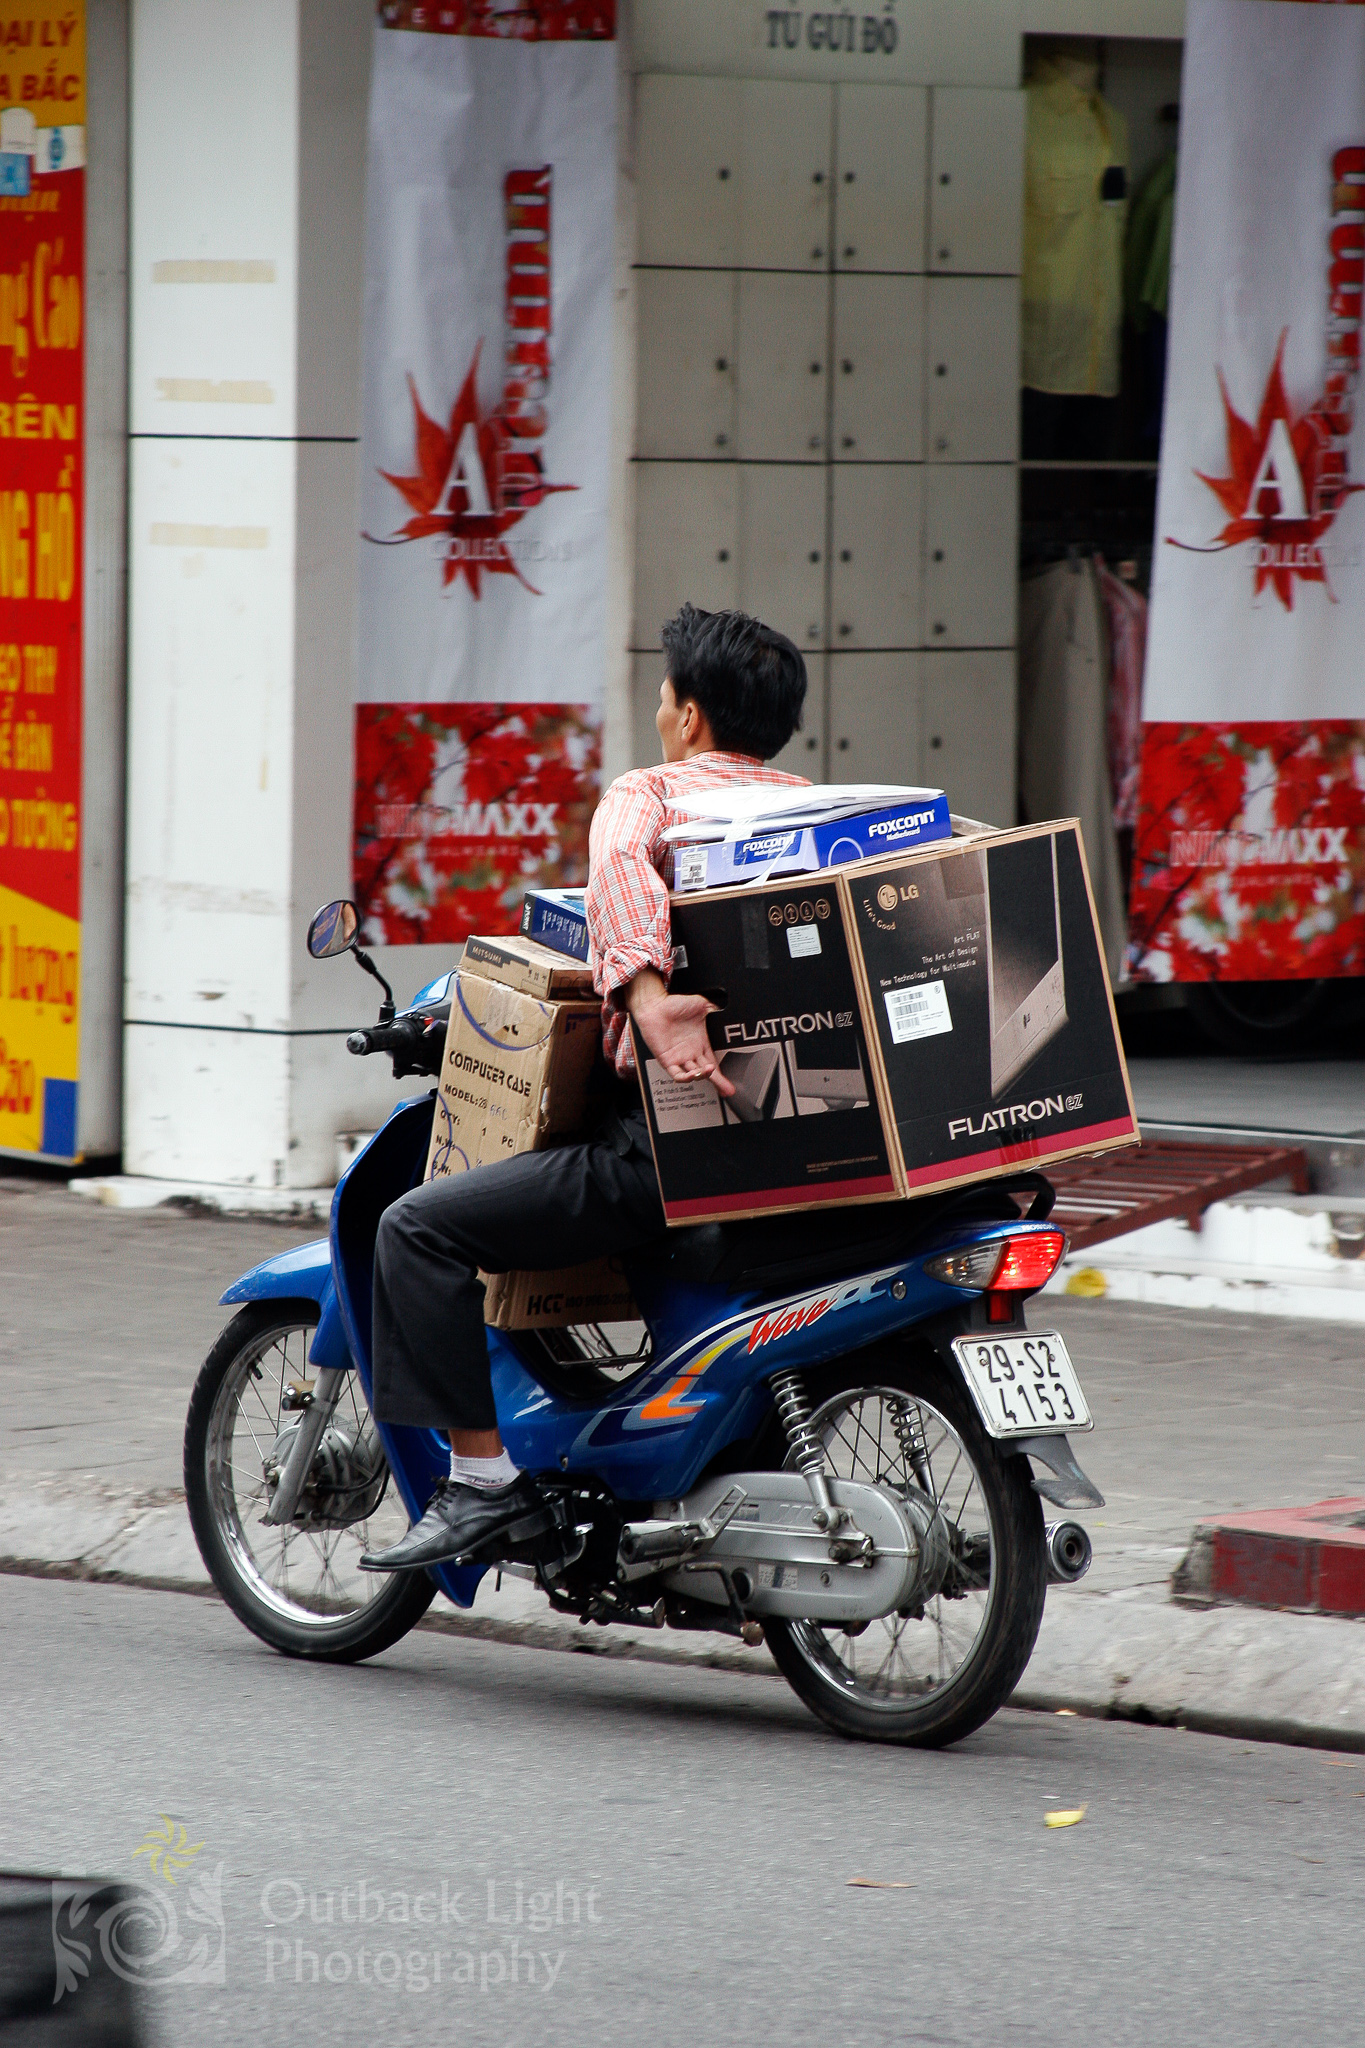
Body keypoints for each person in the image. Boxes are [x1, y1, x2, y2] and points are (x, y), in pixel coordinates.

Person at [360, 604, 810, 1572]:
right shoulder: (819, 808)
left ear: (689, 716)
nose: (656, 710)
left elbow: (617, 871)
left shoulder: (649, 796)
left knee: (413, 1227)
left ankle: (481, 1482)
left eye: (661, 694)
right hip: (807, 1151)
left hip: (671, 1153)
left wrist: (645, 992)